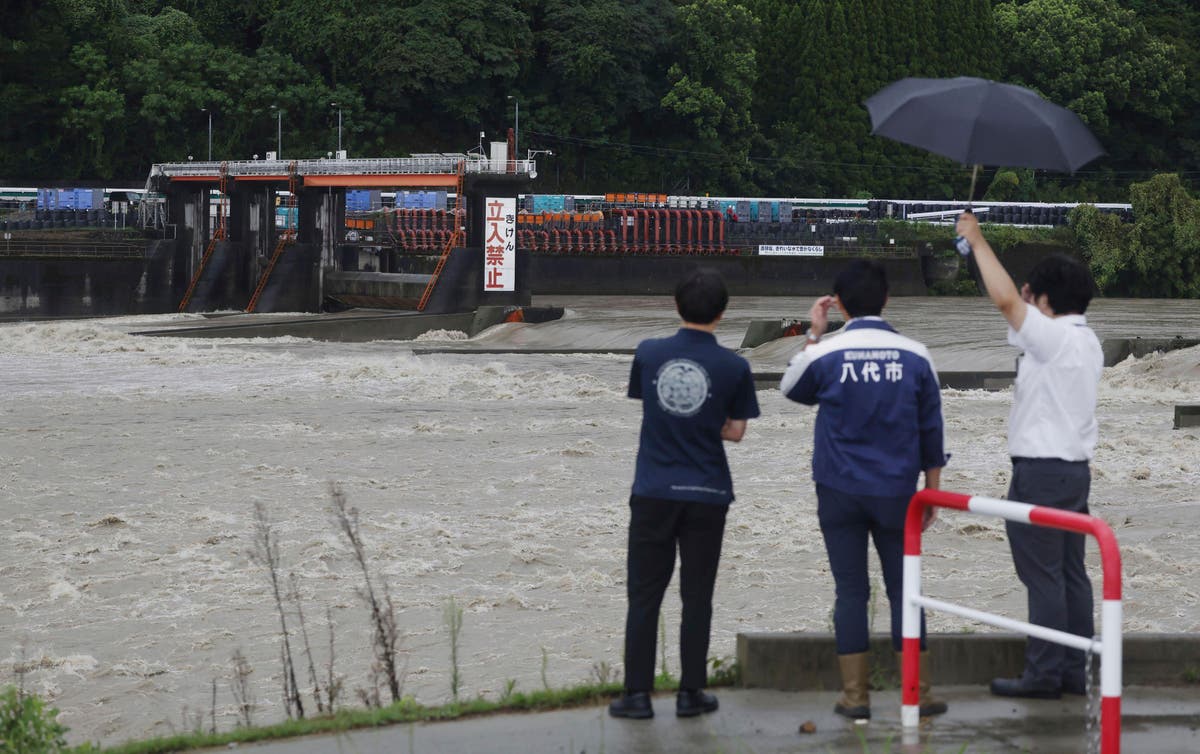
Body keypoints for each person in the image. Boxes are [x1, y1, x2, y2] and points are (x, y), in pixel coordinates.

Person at [780, 259, 947, 720]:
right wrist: (932, 490)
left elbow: (790, 389)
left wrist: (814, 332)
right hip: (897, 490)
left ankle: (855, 699)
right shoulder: (915, 355)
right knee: (904, 590)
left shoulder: (826, 354)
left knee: (850, 592)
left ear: (839, 305)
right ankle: (919, 691)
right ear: (887, 299)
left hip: (838, 490)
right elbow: (932, 427)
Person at [956, 212, 1103, 699]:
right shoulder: (1086, 340)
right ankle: (1071, 672)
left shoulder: (1055, 337)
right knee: (1070, 574)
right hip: (1074, 471)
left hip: (1040, 472)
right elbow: (1011, 308)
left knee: (1042, 577)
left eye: (1032, 295)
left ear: (1044, 301)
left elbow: (1003, 301)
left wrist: (976, 239)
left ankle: (1042, 676)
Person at [609, 268, 760, 720]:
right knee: (697, 596)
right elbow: (735, 432)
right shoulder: (735, 366)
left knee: (644, 595)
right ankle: (691, 693)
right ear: (723, 313)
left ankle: (636, 695)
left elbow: (652, 405)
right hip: (707, 491)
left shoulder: (650, 353)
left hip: (653, 489)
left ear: (676, 306)